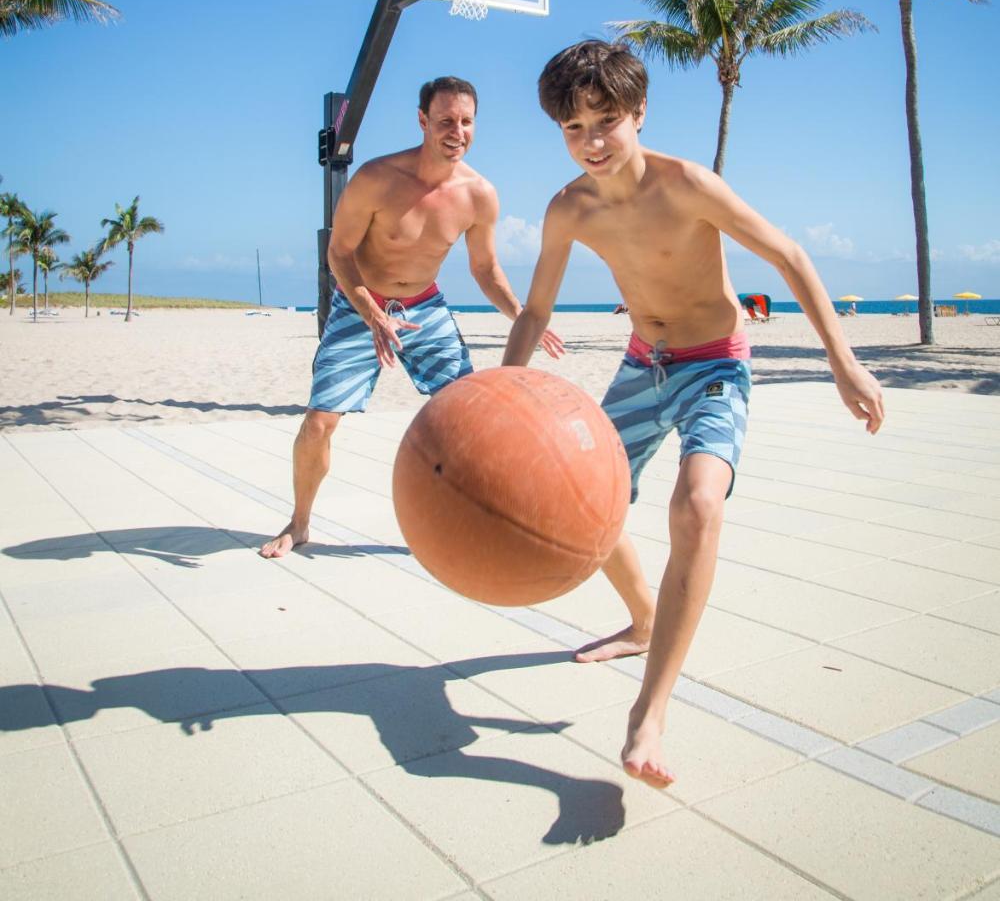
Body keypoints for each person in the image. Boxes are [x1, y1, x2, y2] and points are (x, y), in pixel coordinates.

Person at [502, 40, 883, 789]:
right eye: (574, 129)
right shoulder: (568, 208)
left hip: (715, 364)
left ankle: (651, 711)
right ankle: (643, 619)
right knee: (590, 507)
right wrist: (502, 395)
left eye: (606, 120)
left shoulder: (689, 186)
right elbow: (536, 308)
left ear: (638, 113)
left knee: (699, 503)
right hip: (645, 365)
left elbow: (791, 257)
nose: (593, 142)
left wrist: (843, 359)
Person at [261, 76, 563, 559]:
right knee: (319, 422)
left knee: (468, 419)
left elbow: (485, 269)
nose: (457, 131)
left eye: (466, 122)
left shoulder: (480, 194)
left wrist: (523, 315)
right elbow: (339, 254)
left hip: (425, 308)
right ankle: (299, 524)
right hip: (360, 304)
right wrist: (372, 313)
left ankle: (471, 519)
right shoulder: (377, 179)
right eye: (445, 120)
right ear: (423, 121)